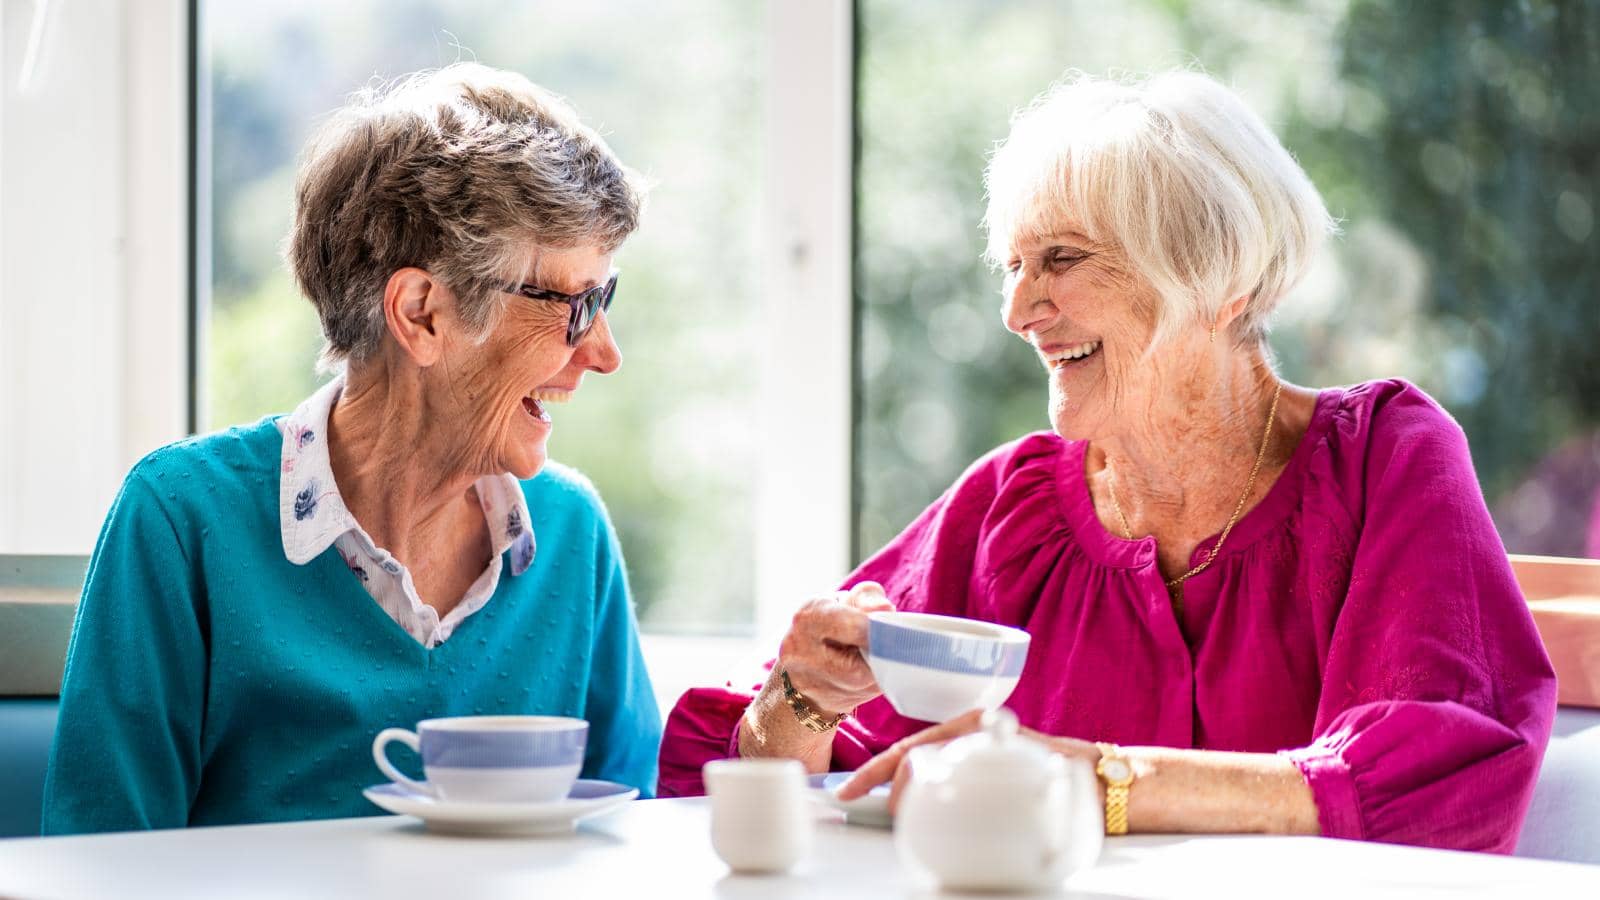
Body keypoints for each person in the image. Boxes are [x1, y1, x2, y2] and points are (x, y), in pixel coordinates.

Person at [659, 70, 1556, 853]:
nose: (1015, 308)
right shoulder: (1011, 509)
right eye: (1010, 264)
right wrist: (803, 702)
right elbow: (785, 780)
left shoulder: (1382, 462)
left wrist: (1099, 782)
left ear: (1219, 275)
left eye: (1061, 259)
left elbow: (1447, 780)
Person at [44, 64, 661, 833]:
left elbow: (633, 842)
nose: (604, 353)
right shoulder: (180, 522)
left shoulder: (571, 535)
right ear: (422, 312)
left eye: (606, 299)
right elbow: (100, 866)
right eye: (574, 306)